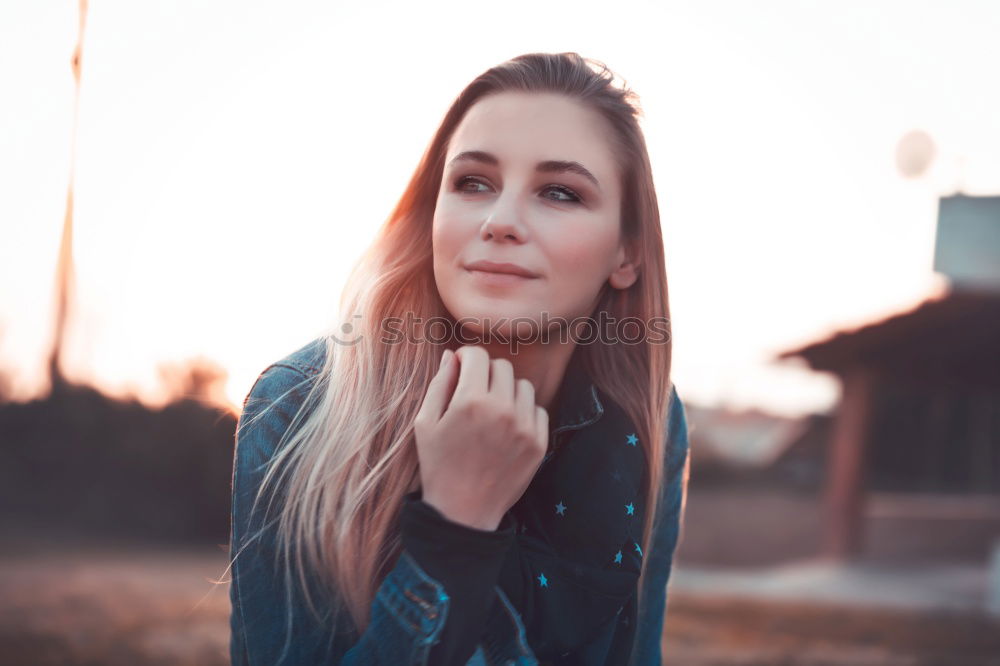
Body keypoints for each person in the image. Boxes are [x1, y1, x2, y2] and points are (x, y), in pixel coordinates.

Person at [228, 51, 692, 666]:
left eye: (560, 192)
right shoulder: (301, 405)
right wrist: (454, 530)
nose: (500, 221)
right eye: (474, 183)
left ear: (626, 254)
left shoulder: (648, 418)